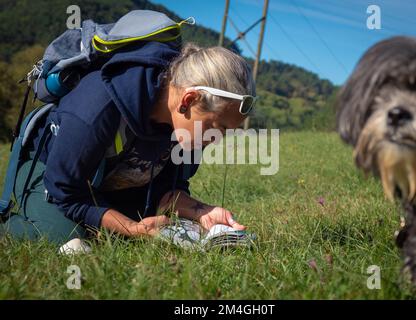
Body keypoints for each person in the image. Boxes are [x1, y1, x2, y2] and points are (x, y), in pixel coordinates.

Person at [1, 40, 256, 245]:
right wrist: (133, 229)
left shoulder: (187, 130)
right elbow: (65, 190)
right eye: (217, 127)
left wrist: (201, 211)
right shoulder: (97, 108)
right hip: (51, 173)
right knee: (65, 236)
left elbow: (169, 188)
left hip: (107, 182)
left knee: (131, 228)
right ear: (188, 100)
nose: (216, 139)